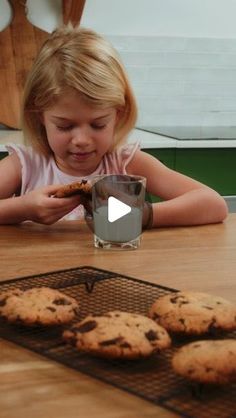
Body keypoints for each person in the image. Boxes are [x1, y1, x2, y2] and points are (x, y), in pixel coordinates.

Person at [0, 25, 228, 227]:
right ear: (40, 116)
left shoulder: (126, 162)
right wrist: (21, 209)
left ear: (118, 115)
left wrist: (139, 215)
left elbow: (213, 204)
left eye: (98, 125)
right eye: (65, 126)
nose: (81, 140)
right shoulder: (25, 166)